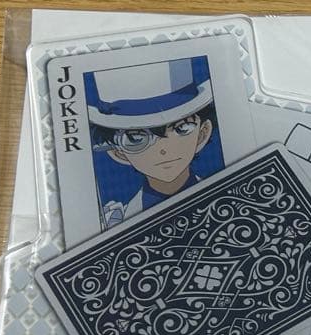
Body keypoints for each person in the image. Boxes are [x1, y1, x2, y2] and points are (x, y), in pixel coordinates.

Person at [85, 56, 219, 228]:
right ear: (118, 152)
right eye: (136, 138)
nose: (163, 149)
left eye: (182, 128)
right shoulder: (115, 221)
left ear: (202, 133)